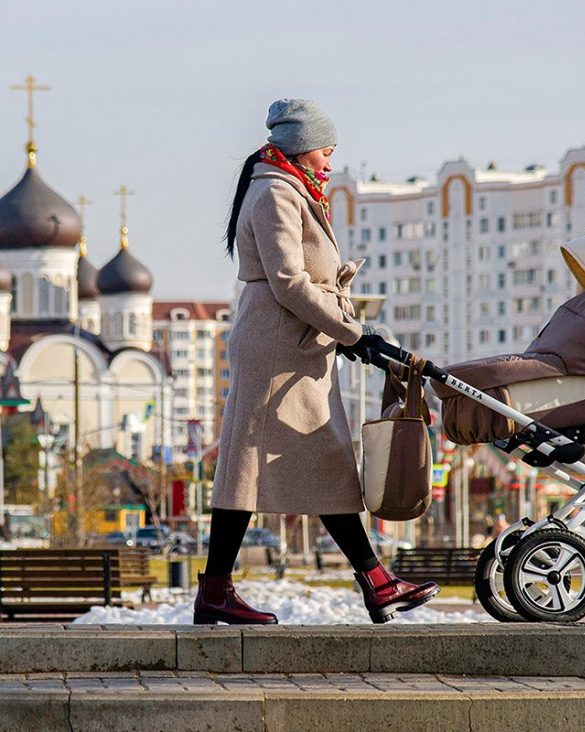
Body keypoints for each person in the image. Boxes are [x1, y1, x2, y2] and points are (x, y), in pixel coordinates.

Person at [194, 99, 439, 625]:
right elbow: (288, 281)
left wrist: (348, 332)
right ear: (303, 147)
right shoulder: (274, 192)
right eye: (327, 151)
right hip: (280, 347)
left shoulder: (288, 188)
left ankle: (372, 581)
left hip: (296, 345)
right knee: (251, 467)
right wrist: (350, 330)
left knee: (309, 461)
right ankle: (370, 580)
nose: (330, 162)